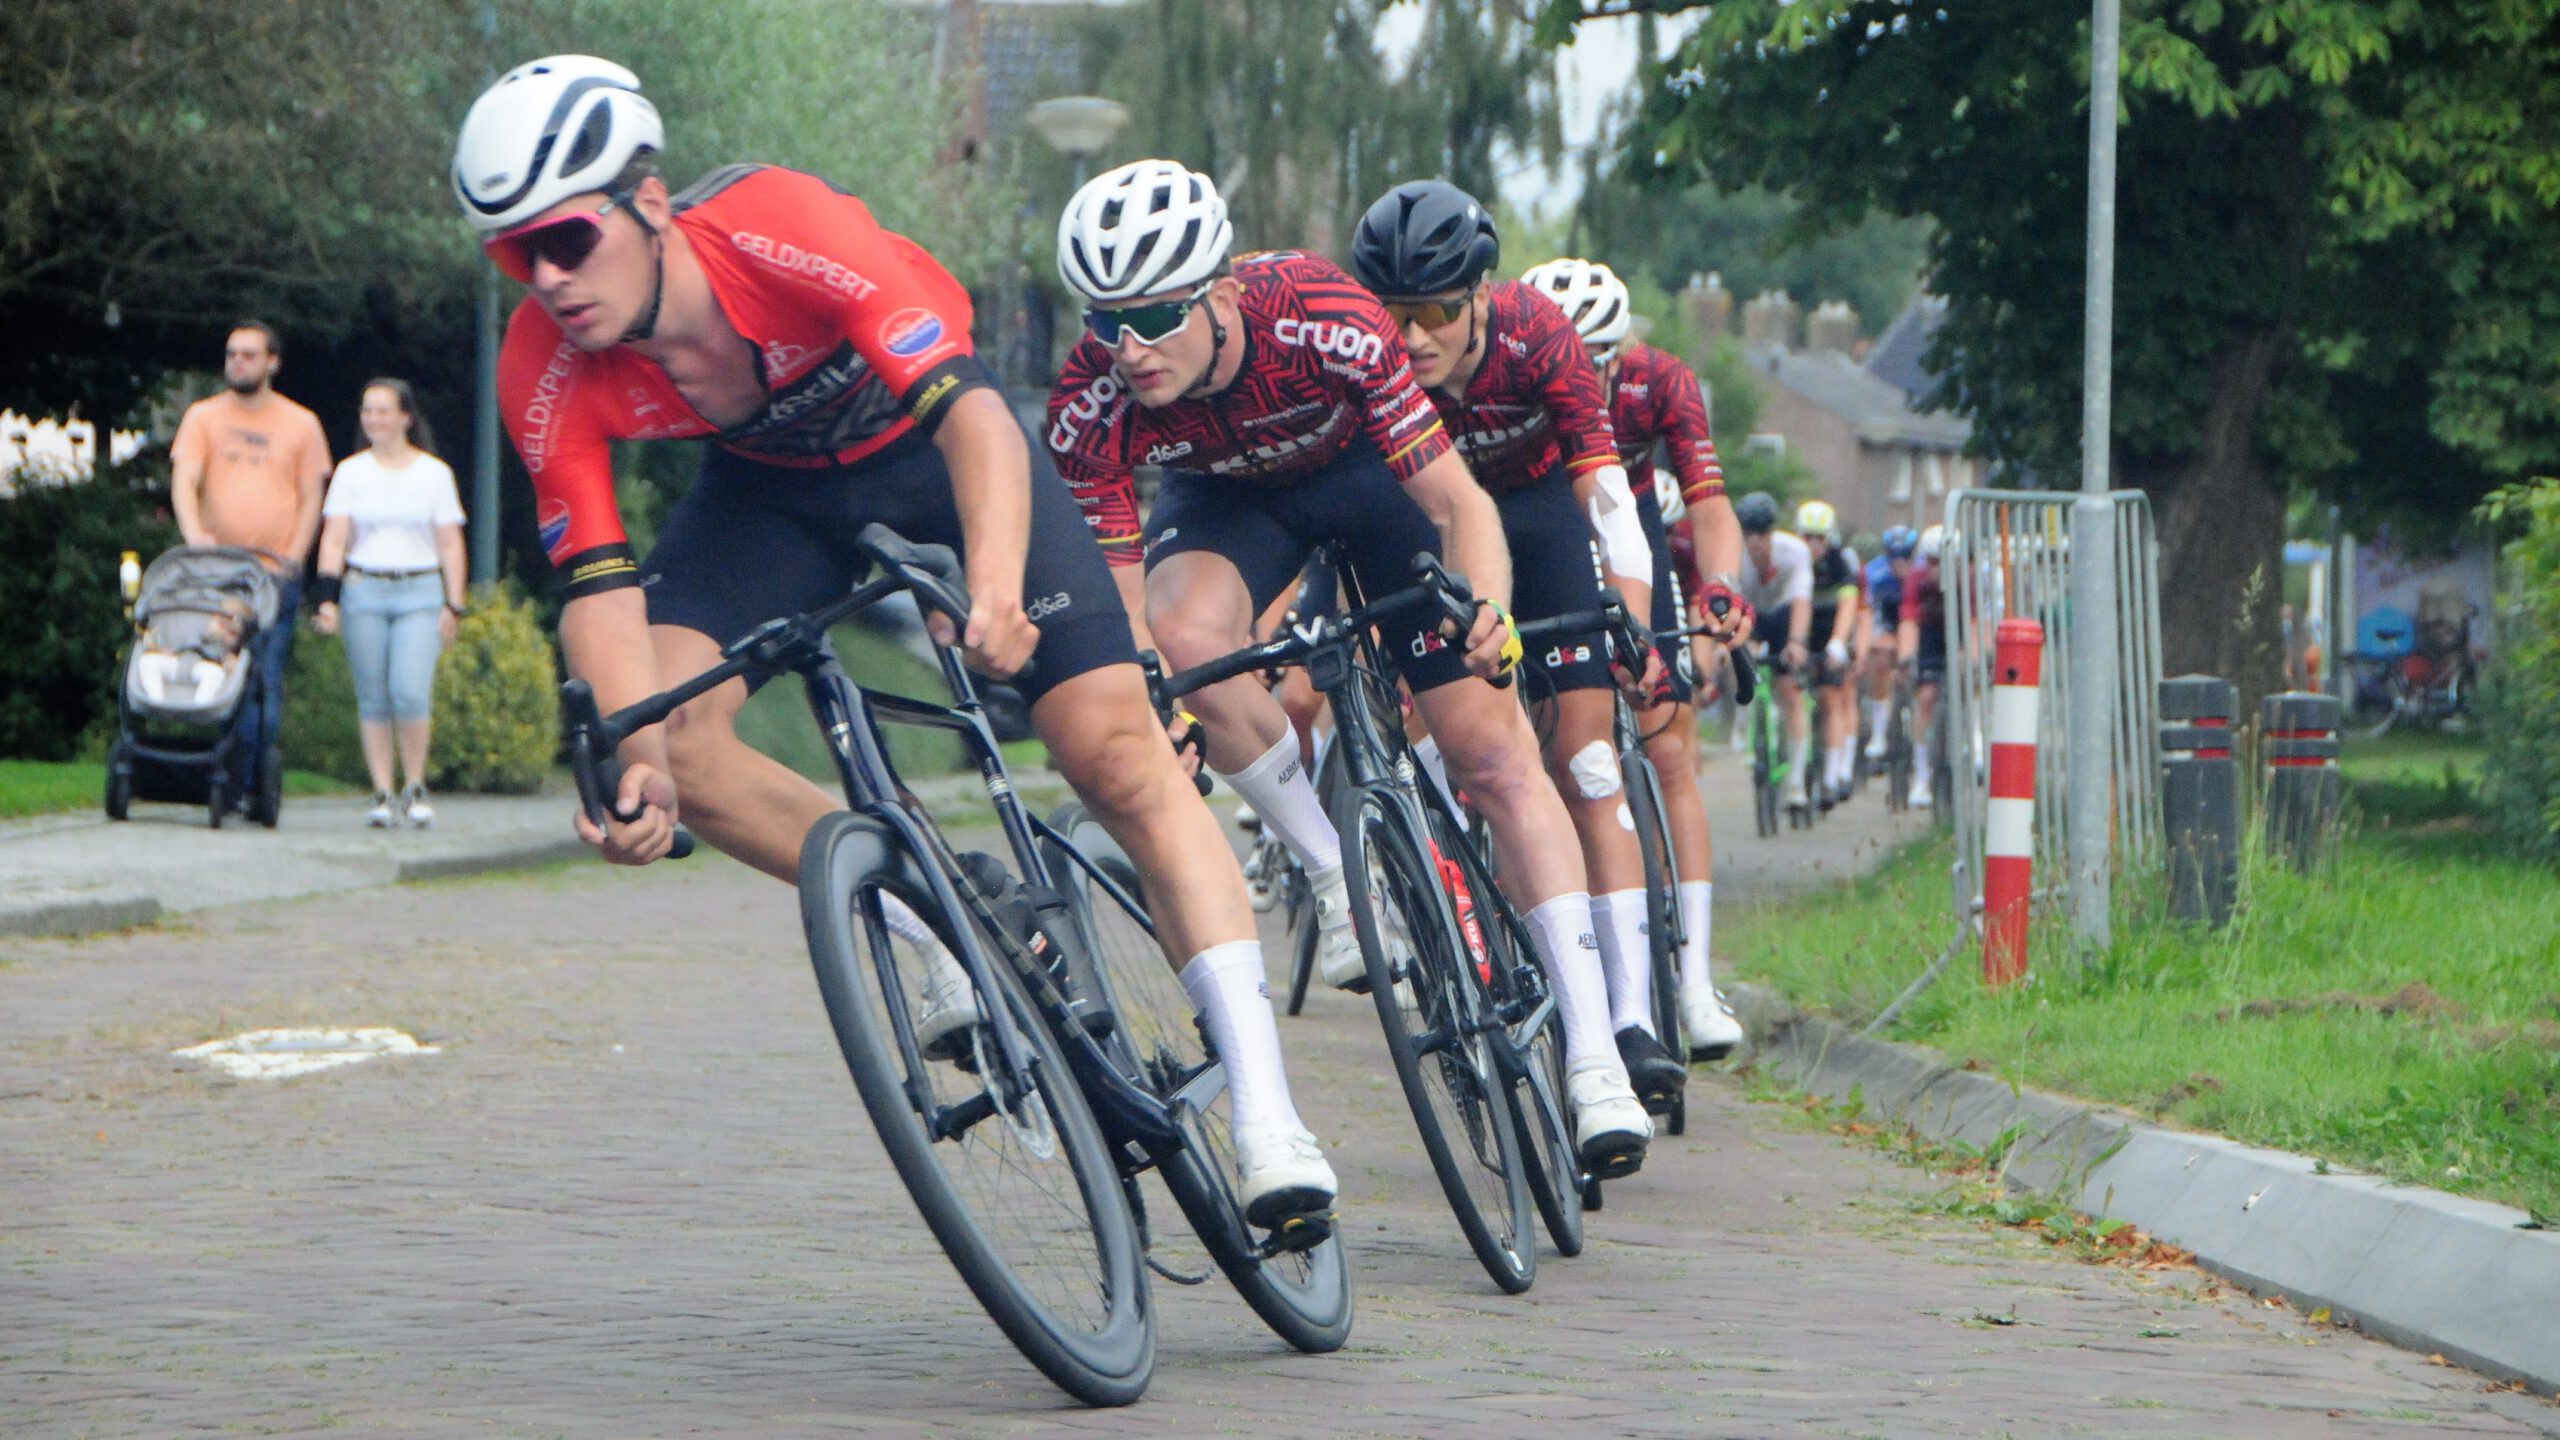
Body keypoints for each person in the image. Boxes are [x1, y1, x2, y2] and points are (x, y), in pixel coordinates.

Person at [453, 57, 1334, 1230]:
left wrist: (995, 588)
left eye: (567, 239)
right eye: (516, 256)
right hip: (767, 494)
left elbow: (975, 421)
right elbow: (598, 588)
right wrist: (639, 762)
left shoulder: (778, 227)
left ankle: (1269, 1116)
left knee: (1114, 753)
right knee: (664, 733)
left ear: (649, 202)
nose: (550, 278)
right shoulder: (545, 363)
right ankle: (931, 911)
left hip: (932, 447)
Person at [1048, 160, 1653, 1178]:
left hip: (1370, 480)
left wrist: (1488, 612)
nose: (1129, 348)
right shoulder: (1090, 399)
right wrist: (1153, 697)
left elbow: (1459, 504)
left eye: (1153, 316)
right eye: (1105, 321)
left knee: (1491, 755)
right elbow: (1125, 606)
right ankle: (1334, 866)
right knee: (1187, 641)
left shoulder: (1323, 315)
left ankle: (1596, 1060)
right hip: (1230, 500)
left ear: (1221, 293)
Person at [1521, 255, 1748, 1062]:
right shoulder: (1509, 376)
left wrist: (1719, 588)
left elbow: (1709, 503)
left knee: (1669, 747)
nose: (1579, 376)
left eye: (1595, 362)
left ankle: (1693, 982)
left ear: (1620, 355)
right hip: (1544, 515)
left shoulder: (1661, 381)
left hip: (1632, 516)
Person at [169, 320, 331, 774]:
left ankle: (251, 780)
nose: (237, 362)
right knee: (217, 669)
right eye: (231, 354)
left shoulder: (301, 424)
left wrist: (294, 557)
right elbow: (184, 481)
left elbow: (311, 498)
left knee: (263, 676)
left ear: (272, 363)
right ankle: (223, 771)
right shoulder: (203, 417)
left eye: (248, 355)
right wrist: (194, 537)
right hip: (216, 570)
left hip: (272, 572)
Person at [311, 379, 468, 827]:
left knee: (410, 690)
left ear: (406, 417)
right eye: (368, 411)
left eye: (383, 411)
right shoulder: (351, 473)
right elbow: (335, 538)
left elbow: (450, 544)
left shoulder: (434, 474)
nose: (373, 419)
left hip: (419, 591)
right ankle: (382, 790)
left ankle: (415, 784)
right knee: (374, 697)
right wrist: (327, 598)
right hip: (365, 589)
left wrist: (454, 604)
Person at [1735, 492, 1816, 812]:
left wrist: (1796, 642)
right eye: (1748, 533)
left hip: (1784, 614)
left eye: (1761, 533)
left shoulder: (1794, 551)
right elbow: (1733, 607)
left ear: (1772, 532)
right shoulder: (1735, 555)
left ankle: (1796, 782)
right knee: (1735, 655)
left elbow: (1801, 602)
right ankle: (1743, 721)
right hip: (1751, 613)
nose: (1755, 541)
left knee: (1791, 692)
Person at [1795, 500, 1862, 806]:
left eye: (1819, 538)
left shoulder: (1840, 562)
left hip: (1833, 627)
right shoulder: (1794, 560)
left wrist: (1838, 642)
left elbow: (1849, 604)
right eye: (1807, 537)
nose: (1813, 544)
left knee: (1832, 698)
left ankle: (1833, 776)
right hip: (1803, 630)